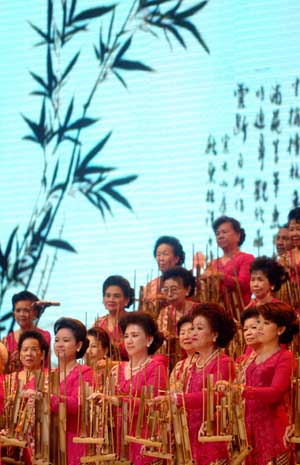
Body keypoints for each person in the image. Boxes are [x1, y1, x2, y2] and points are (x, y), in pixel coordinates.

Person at [173, 303, 236, 465]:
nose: (193, 333)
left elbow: (215, 397)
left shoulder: (223, 362)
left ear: (214, 335)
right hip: (191, 434)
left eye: (199, 329)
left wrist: (178, 399)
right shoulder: (194, 363)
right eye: (192, 328)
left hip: (212, 434)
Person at [242, 302, 298, 465]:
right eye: (258, 322)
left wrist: (243, 390)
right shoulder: (251, 359)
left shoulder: (285, 357)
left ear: (280, 330)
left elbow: (275, 393)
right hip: (250, 430)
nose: (259, 328)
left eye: (266, 323)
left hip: (273, 430)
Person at [110, 311, 167, 465]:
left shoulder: (156, 368)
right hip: (119, 438)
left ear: (148, 340)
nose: (129, 341)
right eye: (126, 336)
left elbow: (152, 404)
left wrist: (119, 401)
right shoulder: (118, 369)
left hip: (144, 438)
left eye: (134, 336)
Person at [3, 330, 49, 464]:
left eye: (34, 349)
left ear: (42, 355)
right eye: (25, 349)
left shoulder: (50, 377)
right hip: (9, 441)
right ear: (19, 354)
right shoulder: (8, 379)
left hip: (40, 440)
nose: (29, 353)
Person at [50, 317, 92, 465]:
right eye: (57, 340)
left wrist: (48, 399)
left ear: (79, 345)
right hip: (49, 440)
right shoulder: (49, 374)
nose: (59, 345)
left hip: (74, 440)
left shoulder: (85, 372)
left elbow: (78, 404)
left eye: (66, 340)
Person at [202, 216, 254, 307]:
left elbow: (245, 284)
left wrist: (220, 276)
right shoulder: (212, 263)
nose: (220, 236)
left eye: (224, 232)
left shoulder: (247, 258)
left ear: (238, 236)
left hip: (241, 310)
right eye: (217, 234)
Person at [4, 290, 51, 372]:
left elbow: (47, 366)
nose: (21, 314)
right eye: (18, 310)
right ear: (14, 313)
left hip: (38, 382)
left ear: (35, 313)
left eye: (26, 310)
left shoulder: (44, 336)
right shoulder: (7, 340)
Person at [141, 235, 185, 313]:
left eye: (165, 254)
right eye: (158, 255)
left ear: (176, 258)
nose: (161, 259)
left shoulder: (186, 281)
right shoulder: (150, 286)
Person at [94, 275, 134, 359]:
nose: (111, 299)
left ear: (126, 300)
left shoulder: (134, 322)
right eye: (108, 295)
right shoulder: (98, 323)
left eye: (116, 296)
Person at [157, 267, 196, 338]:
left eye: (174, 289)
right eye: (165, 290)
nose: (169, 294)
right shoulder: (164, 313)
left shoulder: (199, 311)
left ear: (187, 290)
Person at [169, 315, 196, 391]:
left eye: (190, 332)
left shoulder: (205, 362)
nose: (186, 337)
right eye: (182, 333)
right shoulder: (178, 366)